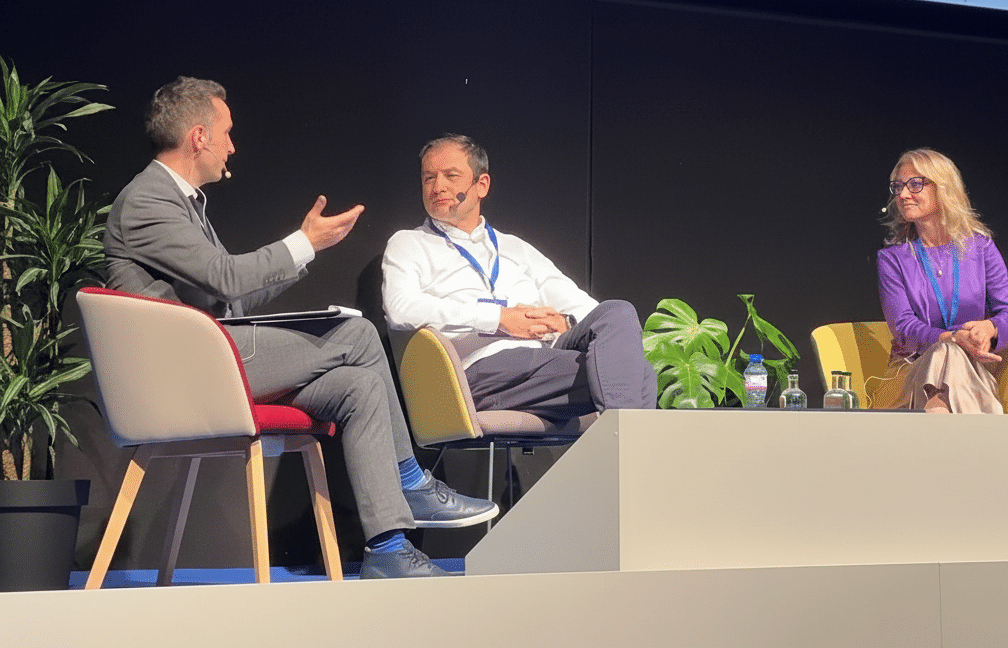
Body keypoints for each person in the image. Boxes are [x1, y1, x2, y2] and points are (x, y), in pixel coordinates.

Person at [103, 77, 497, 579]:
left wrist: (311, 252)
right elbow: (224, 277)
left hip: (210, 357)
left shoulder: (180, 202)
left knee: (359, 387)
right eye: (226, 132)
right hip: (185, 374)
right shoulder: (148, 200)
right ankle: (411, 480)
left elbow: (232, 296)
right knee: (357, 336)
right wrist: (302, 242)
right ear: (198, 137)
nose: (232, 145)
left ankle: (389, 549)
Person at [382, 134, 656, 420]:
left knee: (617, 312)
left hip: (545, 356)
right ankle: (631, 454)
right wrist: (498, 317)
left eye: (451, 175)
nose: (438, 187)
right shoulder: (409, 243)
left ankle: (625, 445)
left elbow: (581, 303)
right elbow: (402, 308)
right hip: (480, 371)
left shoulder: (514, 248)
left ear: (482, 185)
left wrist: (566, 322)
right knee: (635, 375)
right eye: (428, 178)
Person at [872, 148, 1008, 413]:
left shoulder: (981, 248)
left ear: (942, 188)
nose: (903, 194)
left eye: (915, 184)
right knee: (947, 351)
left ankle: (938, 424)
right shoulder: (892, 258)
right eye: (898, 186)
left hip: (971, 370)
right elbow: (905, 329)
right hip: (911, 372)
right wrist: (952, 339)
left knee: (952, 356)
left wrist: (990, 328)